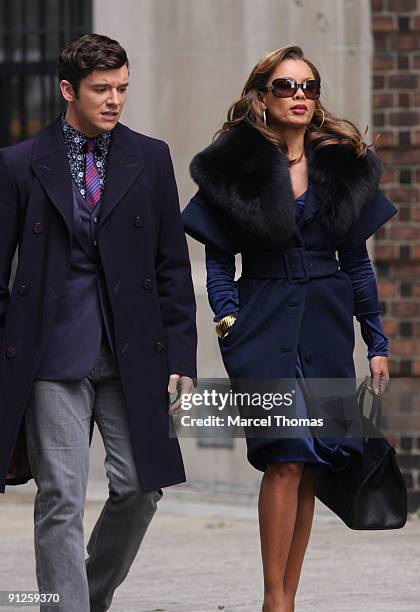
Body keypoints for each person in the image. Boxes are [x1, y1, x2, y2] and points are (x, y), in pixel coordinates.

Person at [182, 45, 397, 612]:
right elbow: (215, 261)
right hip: (263, 317)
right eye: (286, 86)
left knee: (311, 463)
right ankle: (273, 600)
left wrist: (376, 340)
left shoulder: (343, 166)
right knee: (284, 455)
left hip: (327, 323)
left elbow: (357, 262)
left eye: (308, 86)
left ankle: (288, 599)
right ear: (262, 95)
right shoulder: (234, 169)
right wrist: (228, 321)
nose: (299, 96)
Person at [0, 33, 196, 611]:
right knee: (61, 494)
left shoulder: (151, 157)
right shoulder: (18, 166)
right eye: (101, 89)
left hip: (133, 350)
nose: (114, 99)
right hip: (51, 356)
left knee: (141, 487)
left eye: (123, 89)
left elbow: (171, 267)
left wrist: (181, 359)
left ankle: (86, 593)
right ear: (68, 90)